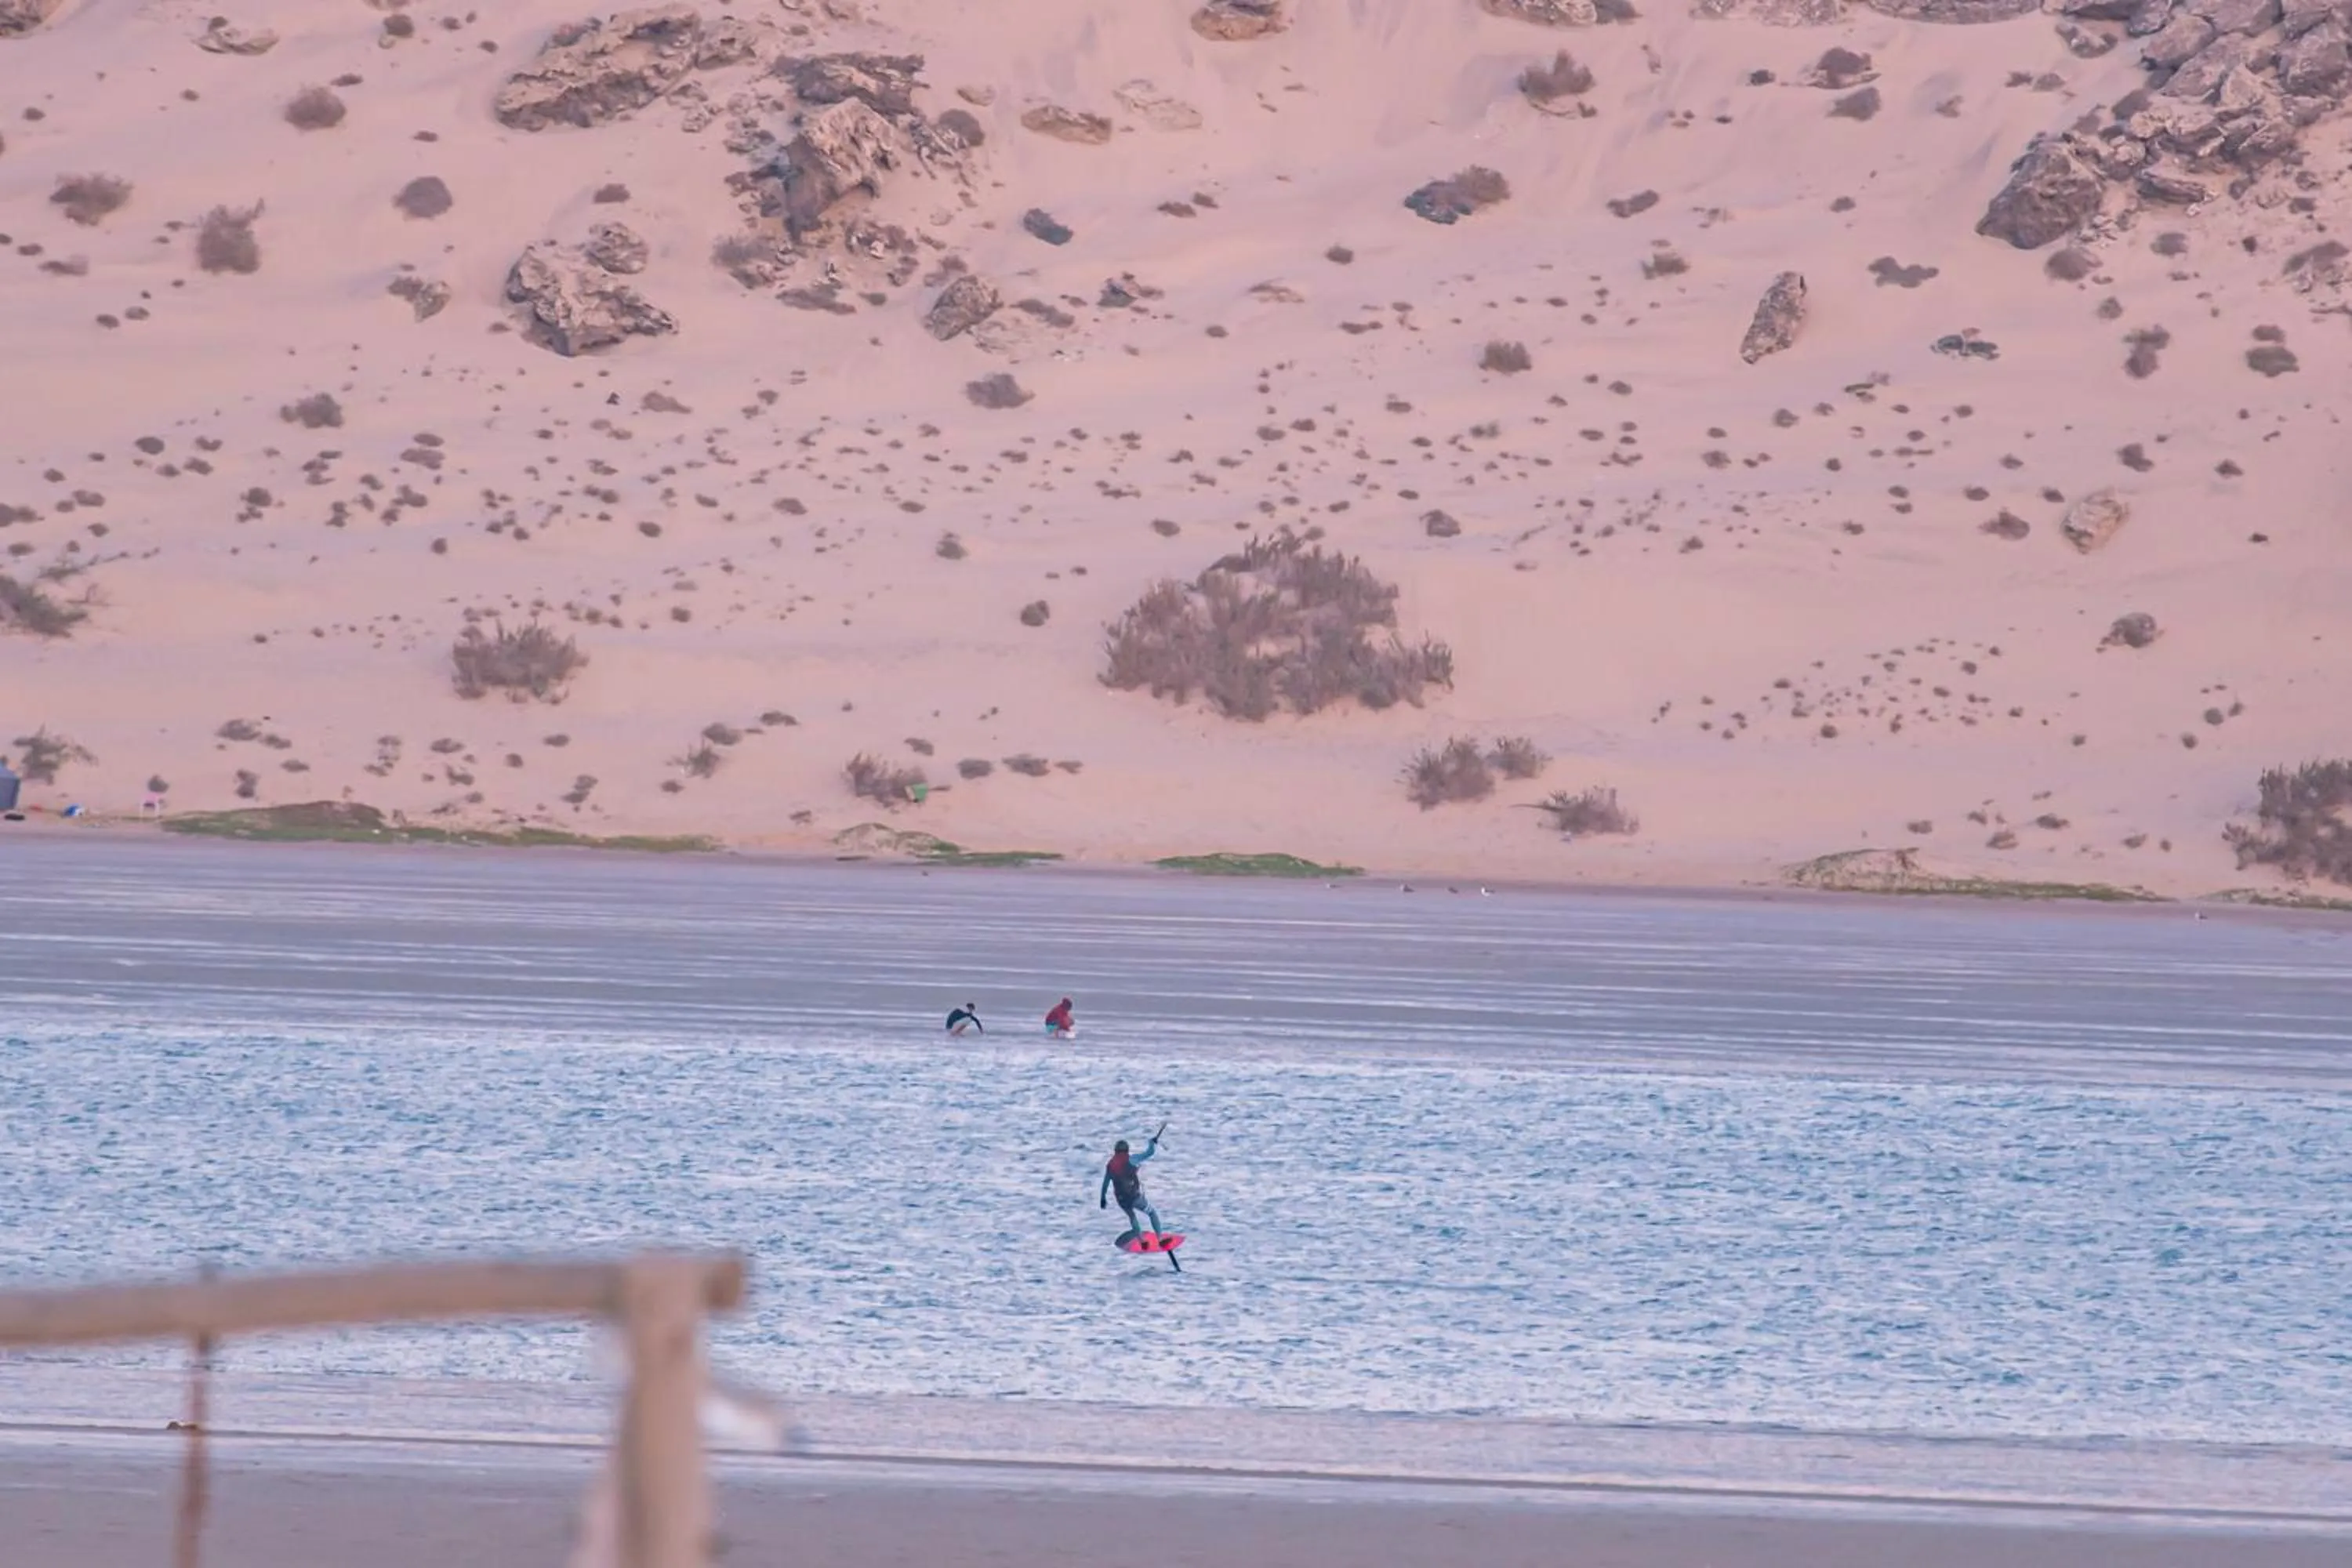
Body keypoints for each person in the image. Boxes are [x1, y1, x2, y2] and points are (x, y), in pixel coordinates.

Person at [1099, 1134, 1161, 1240]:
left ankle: (1142, 1241)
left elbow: (1105, 1184)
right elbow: (1149, 1153)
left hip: (1121, 1199)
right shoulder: (1132, 1159)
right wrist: (1151, 1143)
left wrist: (1103, 1199)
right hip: (1134, 1196)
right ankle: (1160, 1239)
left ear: (1116, 1151)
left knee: (1132, 1216)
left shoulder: (1110, 1165)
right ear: (1127, 1150)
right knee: (1151, 1213)